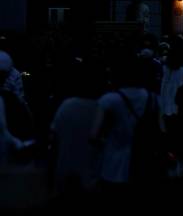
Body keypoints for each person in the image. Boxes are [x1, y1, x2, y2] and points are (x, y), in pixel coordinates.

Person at [89, 54, 159, 188]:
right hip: (142, 165)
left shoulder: (108, 100)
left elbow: (93, 135)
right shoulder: (152, 98)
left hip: (111, 166)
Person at [49, 60, 104, 196]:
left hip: (66, 174)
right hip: (93, 178)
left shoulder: (66, 106)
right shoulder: (102, 108)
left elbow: (54, 140)